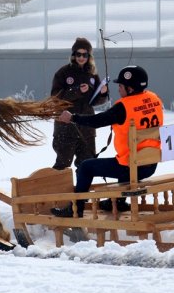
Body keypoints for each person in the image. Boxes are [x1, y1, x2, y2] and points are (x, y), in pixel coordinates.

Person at [50, 65, 164, 217]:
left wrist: (73, 118)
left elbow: (97, 121)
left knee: (85, 167)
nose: (118, 89)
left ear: (130, 88)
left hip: (132, 166)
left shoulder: (123, 107)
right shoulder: (155, 99)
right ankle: (117, 202)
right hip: (150, 164)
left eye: (121, 86)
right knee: (121, 159)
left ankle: (75, 210)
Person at [50, 37, 109, 170]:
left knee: (87, 165)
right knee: (63, 164)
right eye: (78, 54)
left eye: (85, 54)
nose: (81, 57)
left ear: (89, 56)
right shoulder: (63, 73)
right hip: (66, 127)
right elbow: (55, 98)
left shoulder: (92, 74)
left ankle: (83, 190)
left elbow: (95, 101)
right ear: (73, 55)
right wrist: (77, 91)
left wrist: (103, 93)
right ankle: (58, 189)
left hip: (87, 127)